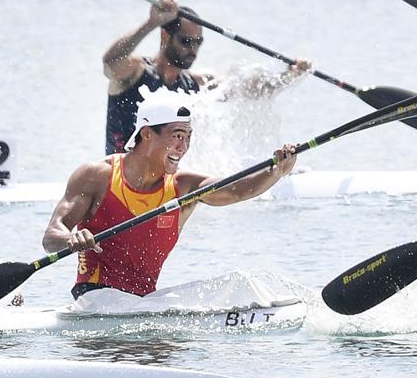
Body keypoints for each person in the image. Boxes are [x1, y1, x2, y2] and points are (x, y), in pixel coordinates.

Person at [42, 94, 297, 299]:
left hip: (142, 304)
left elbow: (237, 190)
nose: (183, 147)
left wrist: (275, 172)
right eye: (176, 136)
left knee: (238, 286)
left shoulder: (184, 187)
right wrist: (72, 238)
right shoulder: (97, 176)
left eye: (188, 137)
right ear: (147, 134)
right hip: (95, 299)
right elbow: (51, 236)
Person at [102, 0, 310, 154]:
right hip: (119, 177)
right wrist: (151, 23)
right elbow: (110, 62)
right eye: (186, 41)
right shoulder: (135, 72)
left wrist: (289, 75)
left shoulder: (196, 84)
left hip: (163, 182)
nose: (193, 49)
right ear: (165, 36)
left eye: (198, 42)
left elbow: (247, 90)